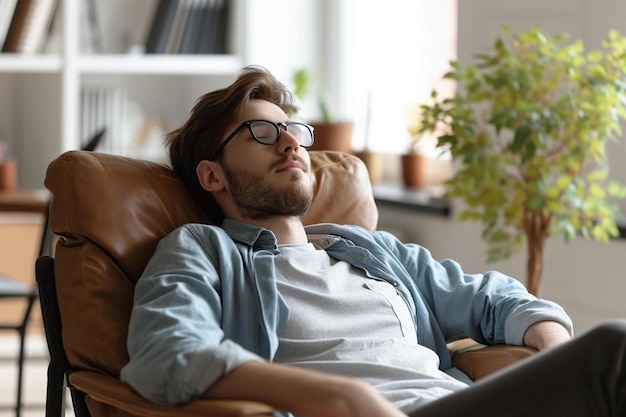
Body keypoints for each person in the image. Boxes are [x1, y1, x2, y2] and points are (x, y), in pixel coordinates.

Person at [120, 65, 626, 417]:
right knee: (614, 350)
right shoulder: (202, 251)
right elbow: (167, 352)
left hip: (459, 403)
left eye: (292, 129)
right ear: (212, 176)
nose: (292, 142)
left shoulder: (367, 250)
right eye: (261, 132)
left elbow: (499, 298)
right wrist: (341, 399)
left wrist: (552, 358)